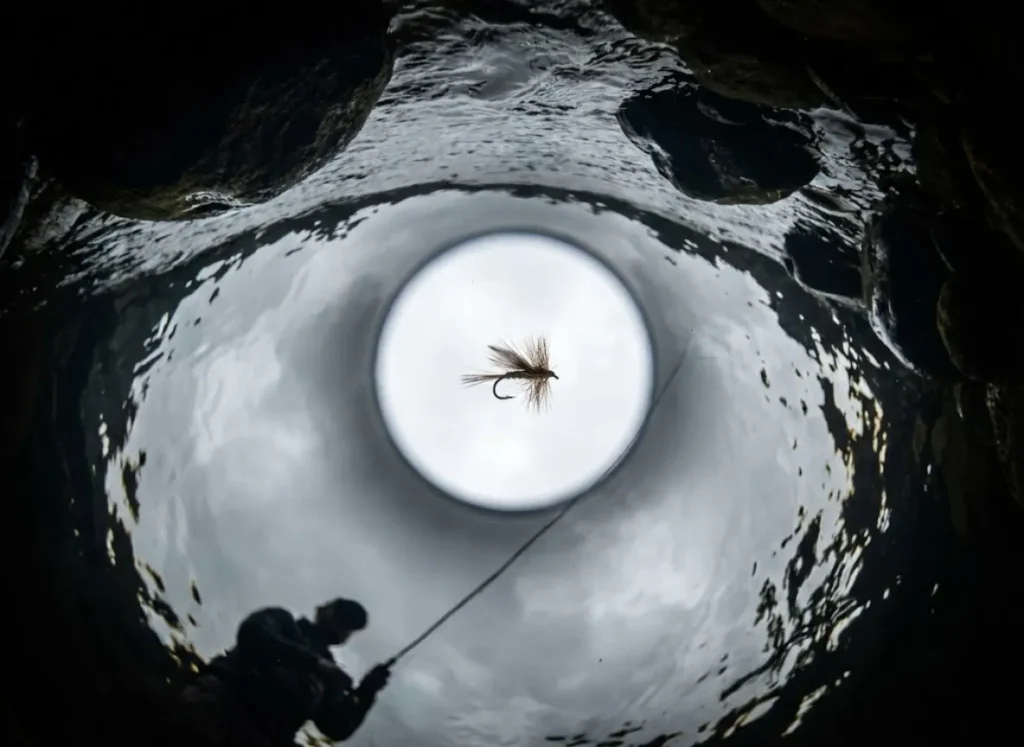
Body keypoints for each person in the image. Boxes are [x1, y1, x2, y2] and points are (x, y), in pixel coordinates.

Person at [182, 598, 390, 746]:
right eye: (341, 614)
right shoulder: (283, 621)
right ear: (321, 609)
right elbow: (253, 634)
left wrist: (366, 692)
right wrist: (314, 664)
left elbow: (335, 727)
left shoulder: (331, 676)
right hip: (216, 706)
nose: (343, 626)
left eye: (350, 626)